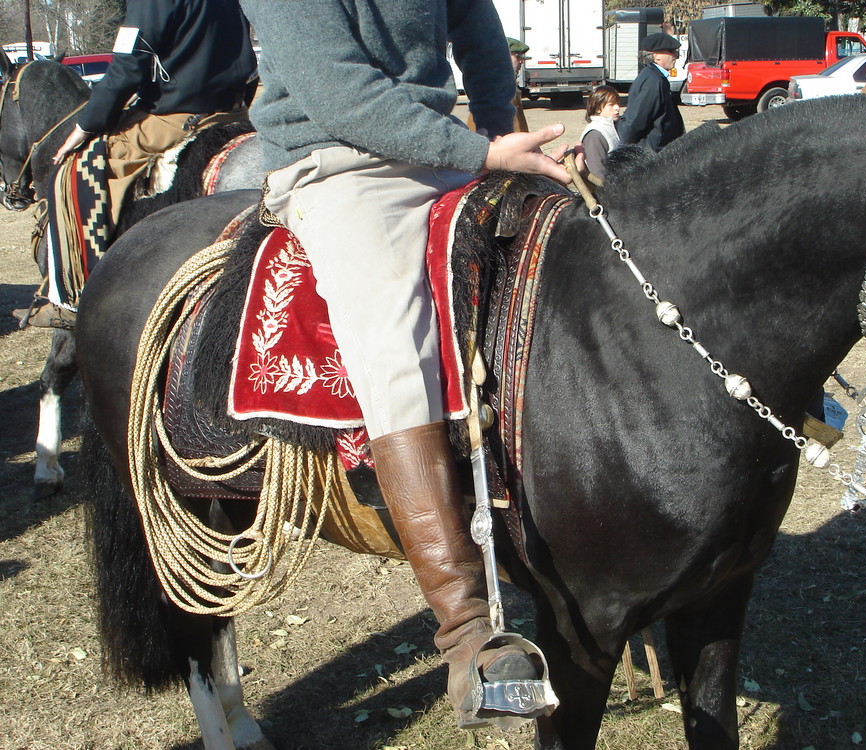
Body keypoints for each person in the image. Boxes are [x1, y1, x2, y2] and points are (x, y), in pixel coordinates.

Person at [238, 0, 574, 729]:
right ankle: (466, 632)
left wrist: (503, 126)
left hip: (445, 150)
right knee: (396, 344)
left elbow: (476, 27)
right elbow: (337, 91)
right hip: (341, 164)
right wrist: (483, 153)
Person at [15, 0, 257, 329]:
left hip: (172, 118)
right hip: (232, 112)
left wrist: (87, 125)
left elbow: (128, 67)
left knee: (71, 169)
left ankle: (72, 299)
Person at [617, 32, 685, 152]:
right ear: (656, 56)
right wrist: (625, 151)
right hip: (652, 154)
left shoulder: (656, 77)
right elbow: (636, 120)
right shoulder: (653, 81)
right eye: (671, 51)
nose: (676, 56)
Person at [468, 37, 529, 133]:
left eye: (522, 57)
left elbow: (520, 126)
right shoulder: (496, 88)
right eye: (518, 56)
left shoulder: (507, 84)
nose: (522, 61)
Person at [581, 85, 621, 182]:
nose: (617, 108)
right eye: (611, 105)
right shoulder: (595, 135)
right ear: (598, 108)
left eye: (617, 103)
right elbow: (597, 173)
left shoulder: (610, 127)